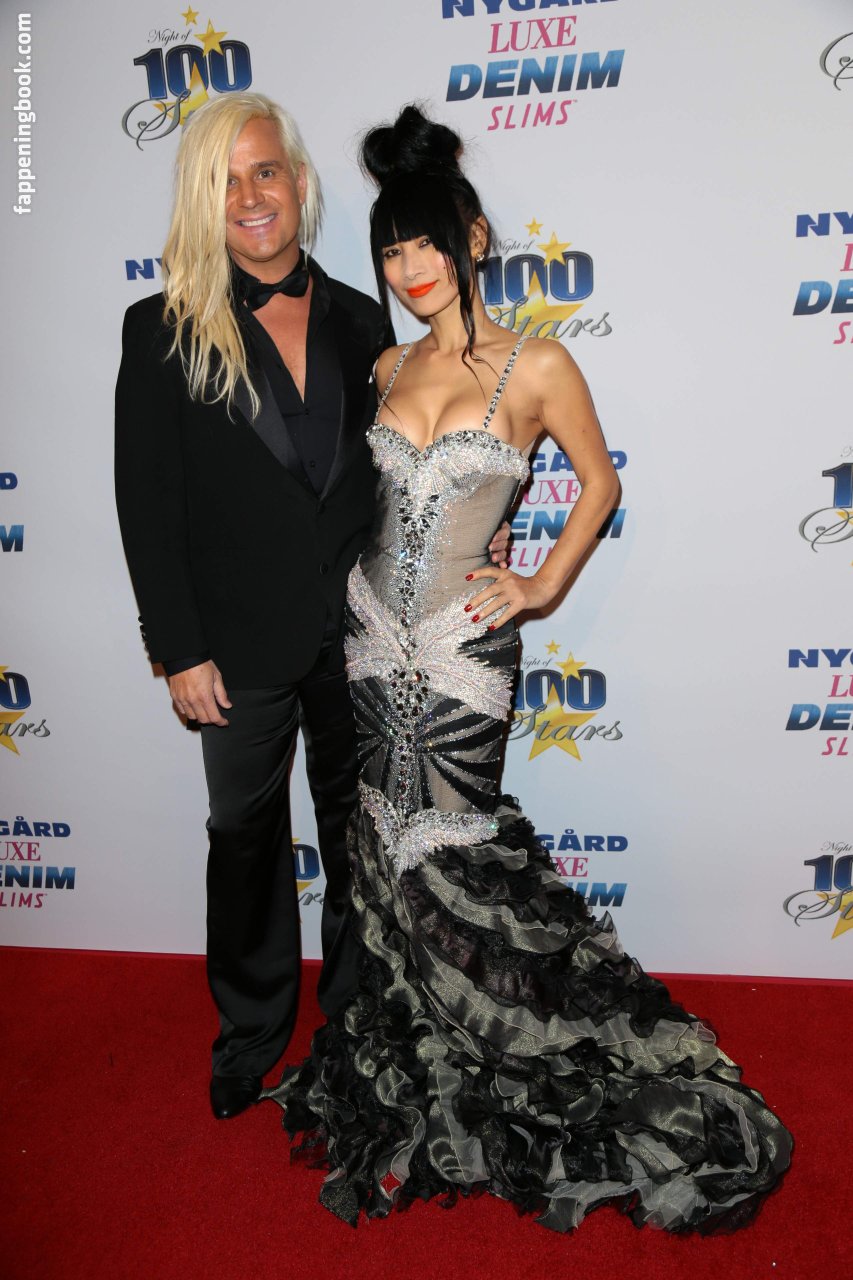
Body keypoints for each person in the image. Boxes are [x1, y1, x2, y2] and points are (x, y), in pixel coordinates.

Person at [263, 106, 793, 1233]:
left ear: (473, 238)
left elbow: (600, 482)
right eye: (391, 252)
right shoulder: (386, 362)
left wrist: (540, 584)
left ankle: (528, 1047)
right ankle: (421, 1052)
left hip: (464, 648)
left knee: (457, 848)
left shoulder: (537, 362)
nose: (410, 269)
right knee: (383, 845)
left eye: (426, 244)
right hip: (370, 638)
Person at [114, 92, 509, 1122]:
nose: (252, 196)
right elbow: (147, 505)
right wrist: (178, 648)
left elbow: (395, 469)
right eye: (227, 179)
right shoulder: (158, 330)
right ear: (204, 199)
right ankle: (250, 1032)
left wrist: (477, 525)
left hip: (357, 635)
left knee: (354, 838)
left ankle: (354, 1019)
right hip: (231, 648)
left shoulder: (359, 318)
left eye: (267, 171)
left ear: (298, 183)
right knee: (244, 839)